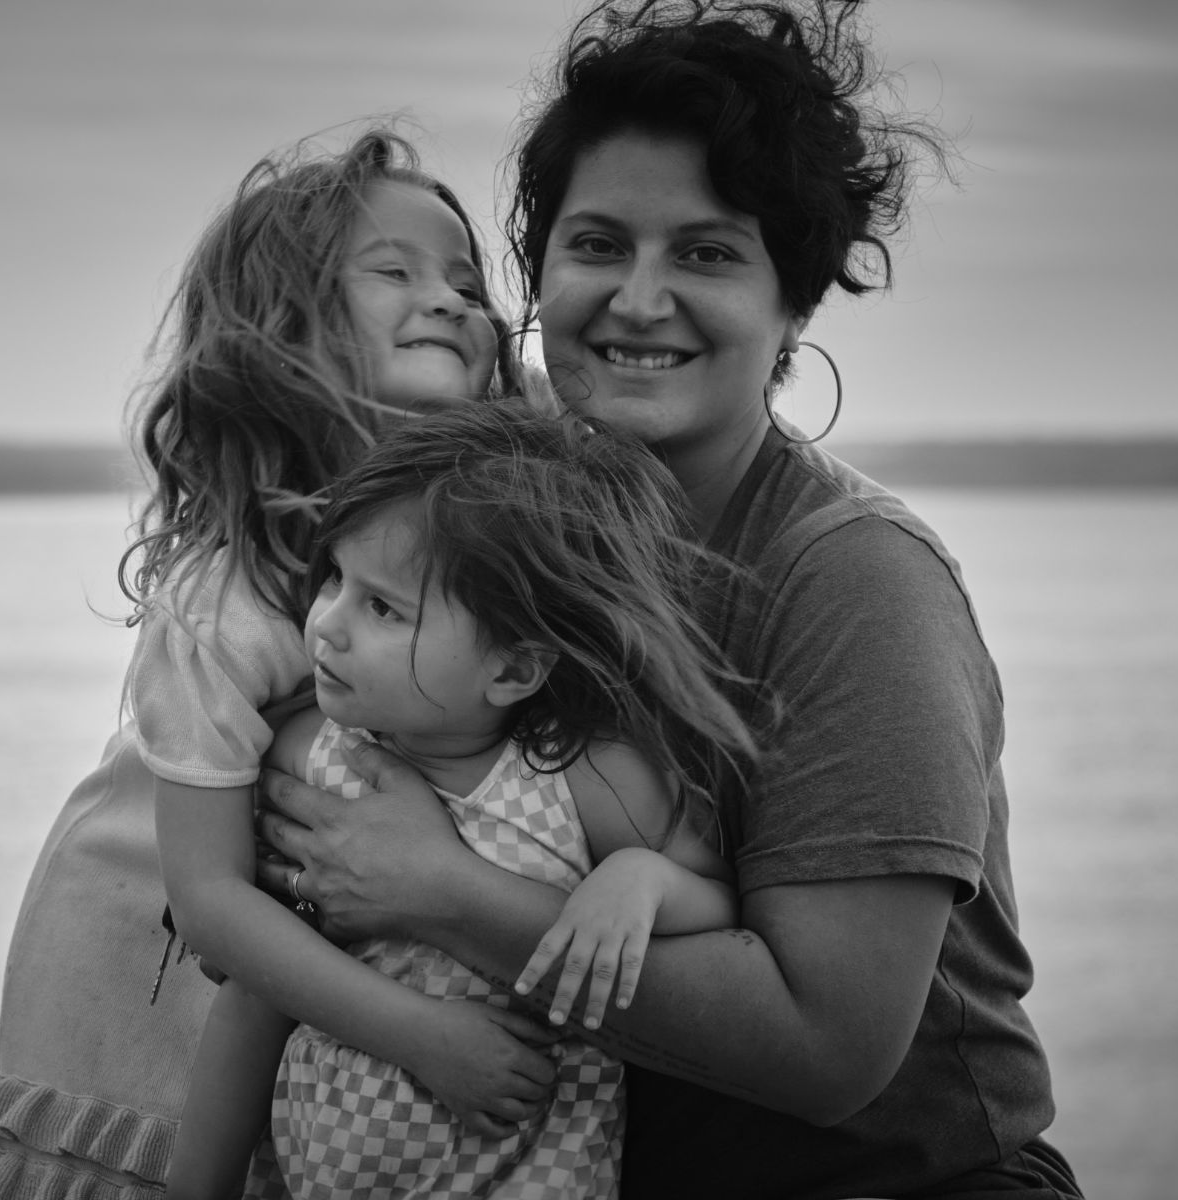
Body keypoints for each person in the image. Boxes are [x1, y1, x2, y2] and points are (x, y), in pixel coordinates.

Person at [254, 3, 1084, 1196]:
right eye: (597, 245)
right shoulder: (493, 532)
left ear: (793, 301)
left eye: (706, 254)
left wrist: (442, 894)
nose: (639, 301)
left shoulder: (854, 581)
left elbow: (829, 1047)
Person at [0, 127, 520, 1199]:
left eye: (464, 282)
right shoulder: (230, 597)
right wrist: (425, 1036)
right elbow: (207, 905)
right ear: (282, 330)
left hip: (298, 1047)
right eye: (393, 272)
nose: (447, 300)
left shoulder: (475, 565)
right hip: (135, 1028)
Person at [165, 404, 760, 1198]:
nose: (326, 625)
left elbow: (718, 903)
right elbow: (254, 995)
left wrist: (639, 881)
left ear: (512, 670)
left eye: (383, 607)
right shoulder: (313, 763)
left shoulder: (587, 780)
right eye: (335, 578)